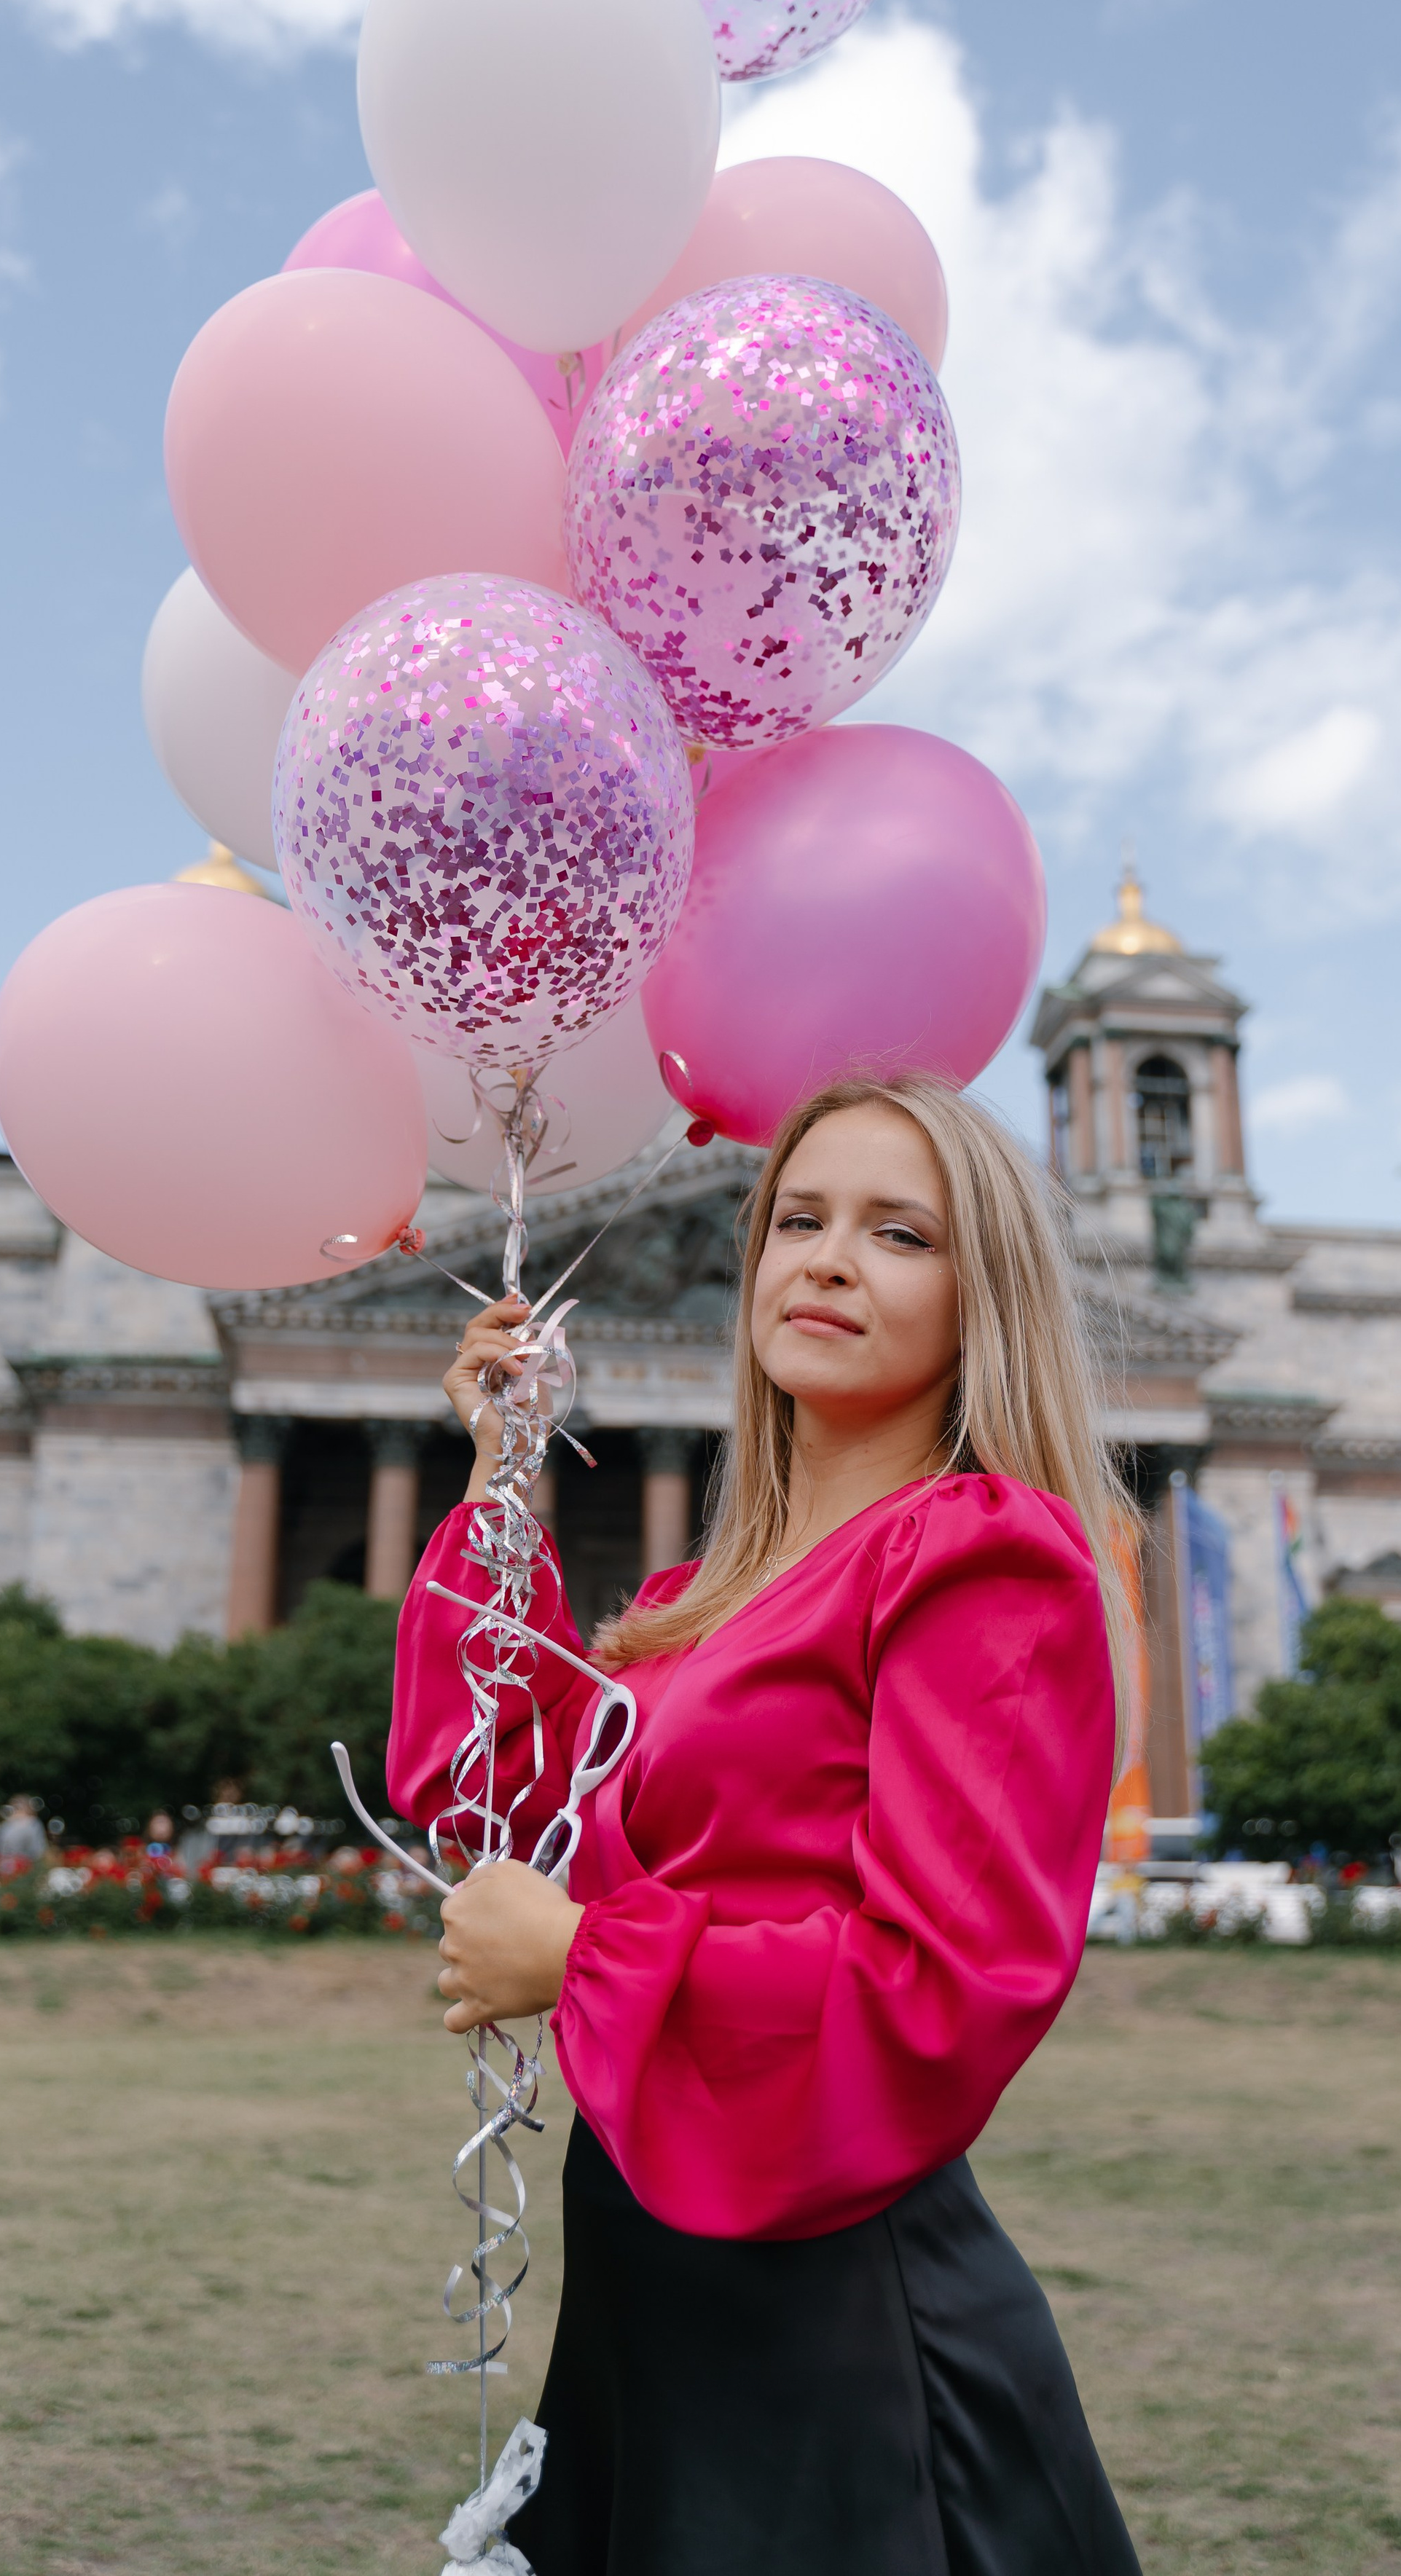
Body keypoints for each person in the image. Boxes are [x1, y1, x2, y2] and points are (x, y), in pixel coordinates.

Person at [388, 1074, 1142, 2576]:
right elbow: (495, 1793)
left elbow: (942, 1981)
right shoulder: (693, 1605)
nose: (826, 1259)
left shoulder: (983, 1556)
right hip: (651, 2265)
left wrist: (586, 1954)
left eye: (898, 1233)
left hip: (832, 2304)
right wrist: (499, 1471)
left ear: (980, 1291)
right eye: (797, 1218)